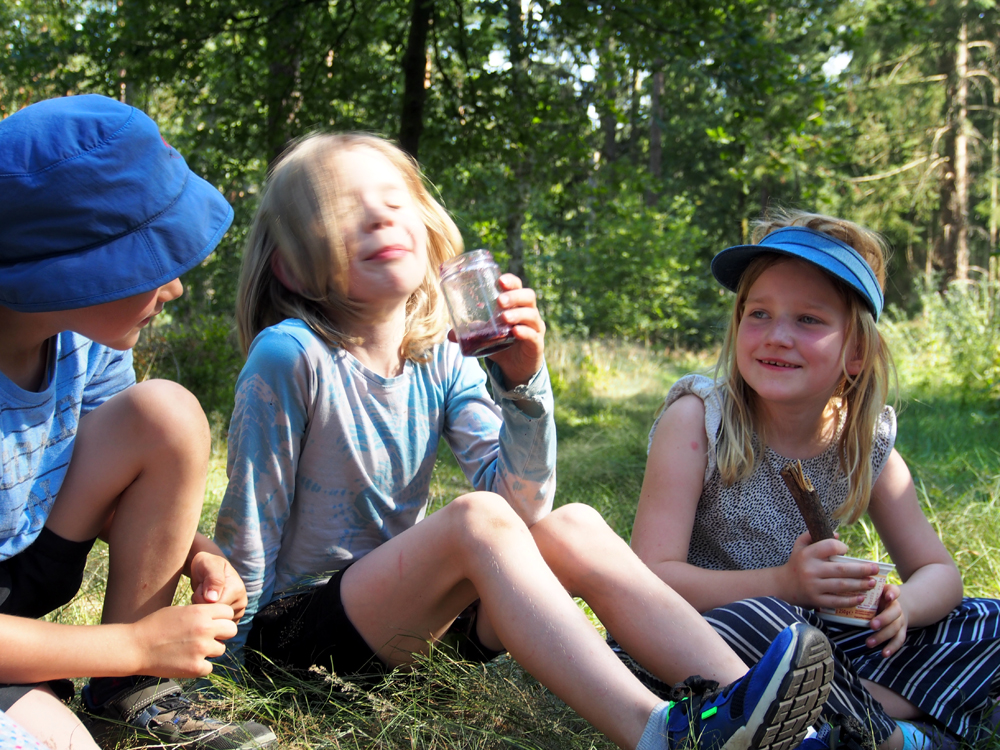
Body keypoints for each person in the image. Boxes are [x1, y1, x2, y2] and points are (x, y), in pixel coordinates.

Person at [214, 132, 836, 750]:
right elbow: (250, 520)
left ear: (428, 229)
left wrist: (522, 384)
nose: (379, 214)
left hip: (410, 633)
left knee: (574, 525)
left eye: (394, 201)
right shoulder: (290, 355)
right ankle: (659, 734)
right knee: (474, 519)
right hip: (298, 638)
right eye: (345, 208)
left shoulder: (442, 357)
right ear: (290, 263)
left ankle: (775, 725)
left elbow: (523, 507)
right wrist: (229, 672)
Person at [620, 211, 1000, 750]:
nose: (777, 336)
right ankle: (897, 729)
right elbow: (648, 580)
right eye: (758, 314)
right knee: (776, 629)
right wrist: (784, 583)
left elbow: (939, 571)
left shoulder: (863, 444)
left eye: (808, 320)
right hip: (709, 631)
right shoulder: (700, 421)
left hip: (822, 638)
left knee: (987, 622)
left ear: (856, 351)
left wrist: (906, 607)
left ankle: (831, 714)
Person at [0, 95, 276, 750]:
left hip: (24, 573)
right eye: (149, 260)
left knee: (167, 412)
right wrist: (129, 643)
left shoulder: (85, 343)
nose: (175, 285)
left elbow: (107, 487)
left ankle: (130, 688)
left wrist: (197, 553)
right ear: (70, 272)